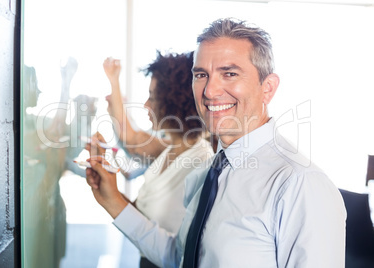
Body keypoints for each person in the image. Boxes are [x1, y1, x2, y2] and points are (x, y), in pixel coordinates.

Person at [86, 18, 346, 267]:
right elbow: (181, 259)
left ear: (268, 88)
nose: (209, 91)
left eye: (229, 73)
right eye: (201, 75)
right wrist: (112, 201)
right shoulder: (207, 174)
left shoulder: (300, 184)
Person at [91, 51, 214, 267]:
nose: (146, 105)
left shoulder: (200, 165)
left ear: (175, 104)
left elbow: (177, 256)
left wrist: (113, 199)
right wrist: (108, 187)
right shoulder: (171, 150)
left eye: (153, 97)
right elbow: (142, 219)